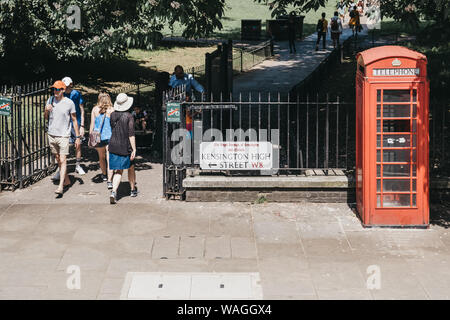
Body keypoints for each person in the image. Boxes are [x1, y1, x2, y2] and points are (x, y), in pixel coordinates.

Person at [44, 80, 81, 196]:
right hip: (52, 134)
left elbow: (74, 120)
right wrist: (46, 110)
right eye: (54, 89)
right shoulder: (50, 100)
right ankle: (67, 180)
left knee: (63, 159)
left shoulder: (69, 103)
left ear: (63, 90)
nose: (55, 91)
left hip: (64, 135)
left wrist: (78, 136)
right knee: (58, 159)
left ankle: (61, 186)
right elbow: (45, 117)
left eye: (58, 89)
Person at [108, 93, 137, 204]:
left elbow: (113, 128)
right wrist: (134, 149)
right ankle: (132, 189)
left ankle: (114, 192)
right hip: (125, 146)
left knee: (118, 171)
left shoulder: (112, 115)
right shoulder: (129, 116)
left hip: (113, 145)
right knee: (131, 168)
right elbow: (131, 134)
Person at [169, 65, 205, 133]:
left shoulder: (188, 77)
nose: (181, 75)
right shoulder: (172, 79)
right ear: (175, 73)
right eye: (179, 74)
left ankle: (188, 130)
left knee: (188, 117)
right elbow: (170, 90)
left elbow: (196, 85)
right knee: (177, 119)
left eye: (182, 72)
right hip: (177, 101)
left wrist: (202, 91)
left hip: (187, 98)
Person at [89, 92, 114, 189]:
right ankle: (110, 180)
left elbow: (92, 124)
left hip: (97, 137)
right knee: (109, 158)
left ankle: (104, 174)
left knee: (101, 157)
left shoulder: (95, 109)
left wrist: (91, 138)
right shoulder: (112, 110)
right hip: (110, 137)